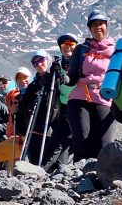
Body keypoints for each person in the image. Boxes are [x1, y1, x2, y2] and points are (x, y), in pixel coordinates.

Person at [66, 10, 116, 162]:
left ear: (107, 25)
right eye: (94, 24)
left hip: (105, 99)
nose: (98, 27)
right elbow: (72, 78)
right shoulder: (81, 49)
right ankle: (79, 181)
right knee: (82, 143)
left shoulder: (117, 50)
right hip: (80, 97)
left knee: (104, 144)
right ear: (90, 28)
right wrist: (63, 77)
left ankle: (100, 180)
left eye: (101, 23)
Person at [16, 50, 63, 165]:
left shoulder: (55, 78)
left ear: (48, 60)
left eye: (41, 60)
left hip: (50, 129)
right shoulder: (33, 85)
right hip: (34, 130)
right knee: (35, 163)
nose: (39, 65)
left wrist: (58, 74)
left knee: (52, 163)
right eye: (35, 63)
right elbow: (24, 109)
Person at [42, 34, 78, 171]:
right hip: (64, 107)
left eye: (71, 44)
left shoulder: (81, 62)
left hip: (81, 104)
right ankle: (52, 169)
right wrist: (51, 76)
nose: (67, 47)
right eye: (64, 45)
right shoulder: (58, 66)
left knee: (74, 138)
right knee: (58, 139)